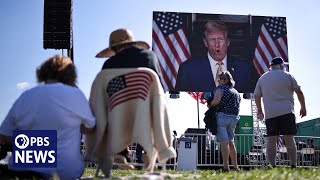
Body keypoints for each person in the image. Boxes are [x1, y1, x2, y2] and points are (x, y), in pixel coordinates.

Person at [0, 55, 96, 179]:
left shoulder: (26, 96)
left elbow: (4, 136)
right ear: (71, 75)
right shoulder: (75, 93)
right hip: (66, 171)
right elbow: (90, 128)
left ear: (42, 72)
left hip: (25, 168)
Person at [95, 28, 165, 165]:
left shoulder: (108, 64)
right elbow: (159, 86)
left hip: (119, 114)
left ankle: (121, 152)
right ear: (132, 43)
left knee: (111, 109)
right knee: (156, 104)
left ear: (114, 48)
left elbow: (104, 94)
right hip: (147, 110)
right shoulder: (149, 56)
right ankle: (148, 151)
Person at [254, 57, 307, 168]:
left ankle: (272, 165)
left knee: (271, 140)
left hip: (271, 113)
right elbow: (299, 91)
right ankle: (293, 165)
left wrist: (260, 111)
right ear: (282, 65)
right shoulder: (288, 75)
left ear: (271, 66)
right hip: (287, 111)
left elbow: (257, 95)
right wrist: (303, 107)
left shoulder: (263, 78)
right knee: (289, 139)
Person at [175, 21, 256, 93]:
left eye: (220, 39)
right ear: (205, 42)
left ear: (228, 42)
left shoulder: (245, 68)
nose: (217, 45)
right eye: (212, 40)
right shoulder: (188, 69)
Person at [208, 71, 241, 171]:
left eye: (219, 79)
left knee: (224, 142)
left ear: (225, 80)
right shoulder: (236, 92)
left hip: (222, 117)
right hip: (234, 118)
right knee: (231, 142)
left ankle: (226, 167)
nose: (218, 81)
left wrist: (210, 104)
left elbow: (216, 102)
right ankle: (235, 166)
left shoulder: (220, 89)